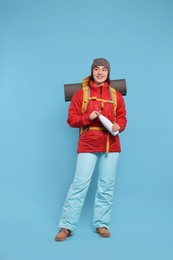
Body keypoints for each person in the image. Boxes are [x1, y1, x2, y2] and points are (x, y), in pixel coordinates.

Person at [55, 58, 127, 241]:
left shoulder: (115, 95)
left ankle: (102, 223)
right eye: (97, 69)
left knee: (106, 186)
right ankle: (66, 225)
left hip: (111, 145)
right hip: (88, 144)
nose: (100, 72)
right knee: (79, 186)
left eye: (104, 69)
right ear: (92, 71)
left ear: (108, 73)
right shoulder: (81, 94)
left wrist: (119, 125)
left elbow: (122, 118)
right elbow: (71, 120)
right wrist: (88, 116)